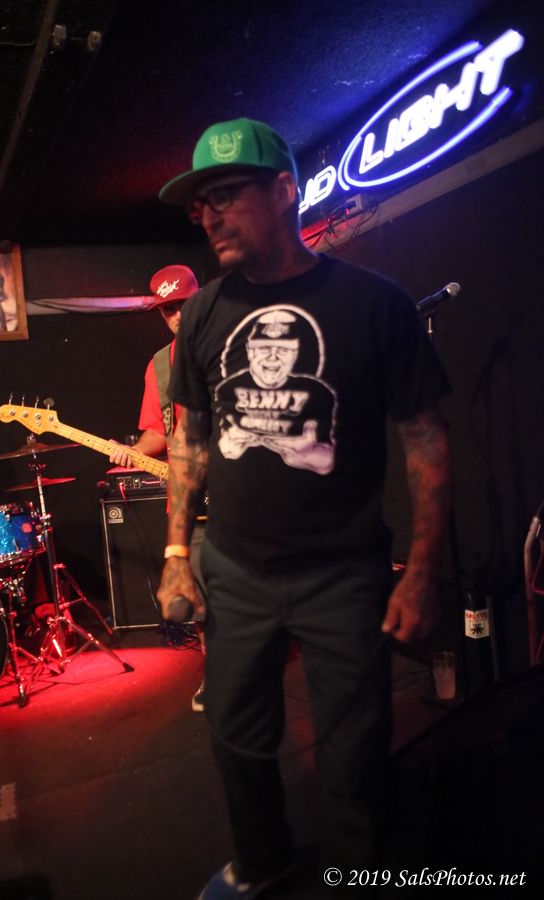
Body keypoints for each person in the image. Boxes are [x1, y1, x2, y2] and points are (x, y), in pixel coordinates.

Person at [156, 117, 452, 899]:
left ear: (285, 190)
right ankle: (263, 862)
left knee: (355, 756)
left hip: (343, 576)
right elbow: (189, 442)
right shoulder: (202, 315)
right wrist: (177, 555)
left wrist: (421, 572)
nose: (210, 215)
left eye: (227, 194)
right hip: (236, 571)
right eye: (201, 204)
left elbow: (425, 438)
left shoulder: (374, 304)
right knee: (236, 738)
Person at [109, 265, 207, 712]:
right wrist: (129, 451)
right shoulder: (160, 366)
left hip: (238, 492)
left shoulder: (228, 347)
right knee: (198, 597)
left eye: (184, 304)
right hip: (187, 501)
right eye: (169, 310)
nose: (177, 316)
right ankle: (217, 674)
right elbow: (156, 431)